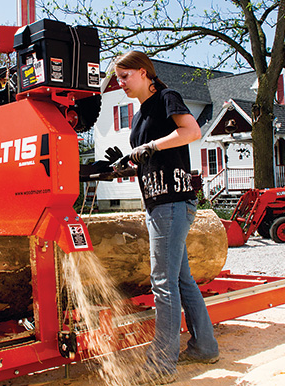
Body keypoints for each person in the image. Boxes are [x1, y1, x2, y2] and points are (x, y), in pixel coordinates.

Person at [113, 51, 219, 384]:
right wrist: (127, 165)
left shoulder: (166, 97)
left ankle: (161, 364)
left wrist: (151, 148)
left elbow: (191, 132)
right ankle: (204, 346)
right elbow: (151, 157)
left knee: (163, 284)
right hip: (159, 202)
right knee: (182, 280)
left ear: (144, 73)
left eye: (125, 76)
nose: (121, 84)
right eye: (118, 78)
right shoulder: (138, 115)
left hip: (172, 202)